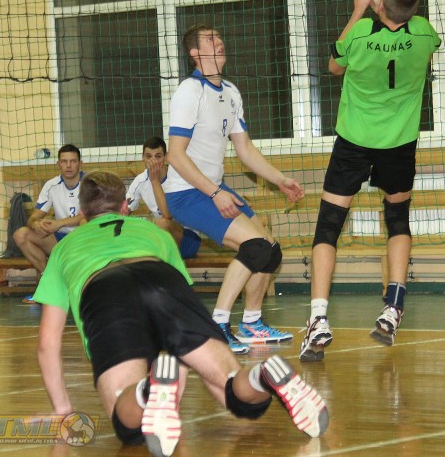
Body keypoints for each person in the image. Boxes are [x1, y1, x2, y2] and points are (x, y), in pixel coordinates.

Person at [34, 171, 329, 457]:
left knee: (130, 426)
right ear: (125, 206)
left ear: (82, 213)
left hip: (105, 289)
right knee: (234, 392)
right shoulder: (154, 233)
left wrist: (63, 409)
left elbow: (48, 343)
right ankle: (261, 376)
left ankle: (147, 391)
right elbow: (177, 318)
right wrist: (186, 364)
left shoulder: (64, 248)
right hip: (161, 276)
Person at [299, 0, 441, 361]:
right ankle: (394, 307)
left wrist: (361, 7)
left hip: (355, 142)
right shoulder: (424, 34)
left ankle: (318, 319)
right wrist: (386, 6)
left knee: (328, 226)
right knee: (397, 220)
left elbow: (334, 66)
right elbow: (406, 20)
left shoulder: (360, 34)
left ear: (380, 6)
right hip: (399, 143)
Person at [164, 24, 305, 354]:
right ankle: (217, 326)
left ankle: (252, 323)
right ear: (195, 53)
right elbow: (175, 155)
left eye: (219, 36)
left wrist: (279, 179)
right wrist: (215, 193)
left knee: (270, 250)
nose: (219, 41)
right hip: (186, 192)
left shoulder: (230, 92)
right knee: (255, 247)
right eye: (210, 39)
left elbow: (245, 149)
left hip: (213, 187)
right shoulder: (189, 91)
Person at [13, 144, 85, 303]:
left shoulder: (89, 183)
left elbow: (89, 215)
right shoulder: (51, 185)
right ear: (58, 164)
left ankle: (67, 288)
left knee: (85, 222)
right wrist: (36, 224)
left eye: (73, 161)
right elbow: (33, 217)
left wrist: (58, 223)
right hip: (59, 239)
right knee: (21, 234)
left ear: (80, 163)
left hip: (82, 240)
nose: (68, 165)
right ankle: (51, 284)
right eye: (64, 161)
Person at [127, 136, 201, 259]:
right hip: (161, 237)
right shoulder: (140, 180)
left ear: (165, 158)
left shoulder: (177, 178)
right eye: (148, 156)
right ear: (143, 158)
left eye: (158, 156)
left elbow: (167, 215)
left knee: (162, 223)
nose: (153, 161)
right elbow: (123, 212)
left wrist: (154, 180)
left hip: (187, 239)